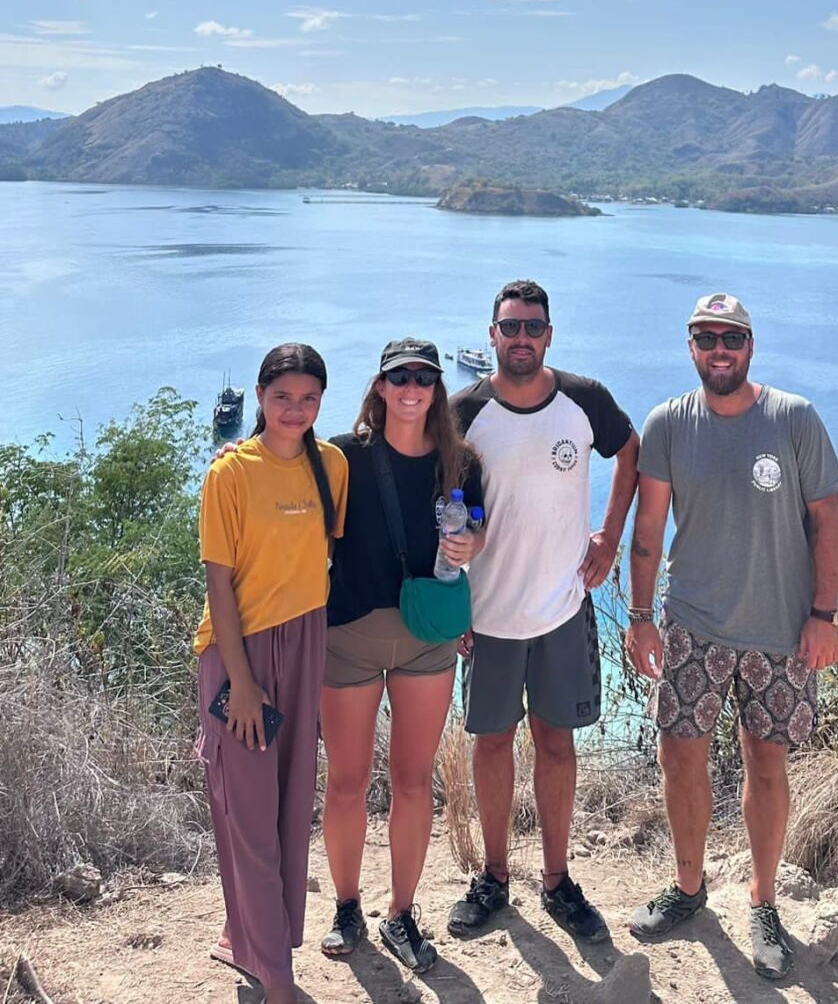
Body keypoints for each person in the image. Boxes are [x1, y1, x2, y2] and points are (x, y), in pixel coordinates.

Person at [625, 293, 838, 979]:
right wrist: (639, 617)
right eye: (706, 338)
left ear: (750, 345)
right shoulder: (668, 423)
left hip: (780, 632)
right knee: (679, 758)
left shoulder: (793, 418)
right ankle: (688, 887)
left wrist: (824, 615)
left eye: (731, 338)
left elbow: (826, 520)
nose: (718, 350)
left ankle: (762, 900)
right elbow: (647, 528)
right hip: (693, 626)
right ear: (690, 346)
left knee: (766, 766)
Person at [446, 280, 639, 943]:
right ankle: (494, 877)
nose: (521, 338)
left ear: (549, 334)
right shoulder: (464, 412)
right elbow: (439, 502)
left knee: (557, 743)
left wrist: (609, 537)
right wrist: (452, 597)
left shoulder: (584, 400)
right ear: (492, 334)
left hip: (562, 610)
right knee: (491, 744)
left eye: (533, 327)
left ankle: (557, 880)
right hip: (489, 614)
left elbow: (631, 452)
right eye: (510, 327)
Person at [319, 338, 484, 973]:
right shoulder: (344, 456)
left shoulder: (460, 462)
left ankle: (402, 913)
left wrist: (471, 544)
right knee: (347, 782)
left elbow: (476, 525)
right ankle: (346, 907)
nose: (412, 388)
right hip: (351, 632)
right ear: (381, 388)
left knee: (414, 782)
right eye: (400, 377)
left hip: (427, 636)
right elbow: (282, 473)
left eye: (423, 378)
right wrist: (236, 454)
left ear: (436, 388)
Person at [195, 344, 349, 1004]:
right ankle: (277, 976)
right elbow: (219, 583)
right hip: (239, 650)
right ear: (259, 397)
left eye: (308, 398)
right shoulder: (230, 473)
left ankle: (252, 937)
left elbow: (321, 556)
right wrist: (242, 683)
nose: (295, 409)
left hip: (305, 639)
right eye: (282, 396)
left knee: (288, 808)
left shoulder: (332, 465)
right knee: (249, 810)